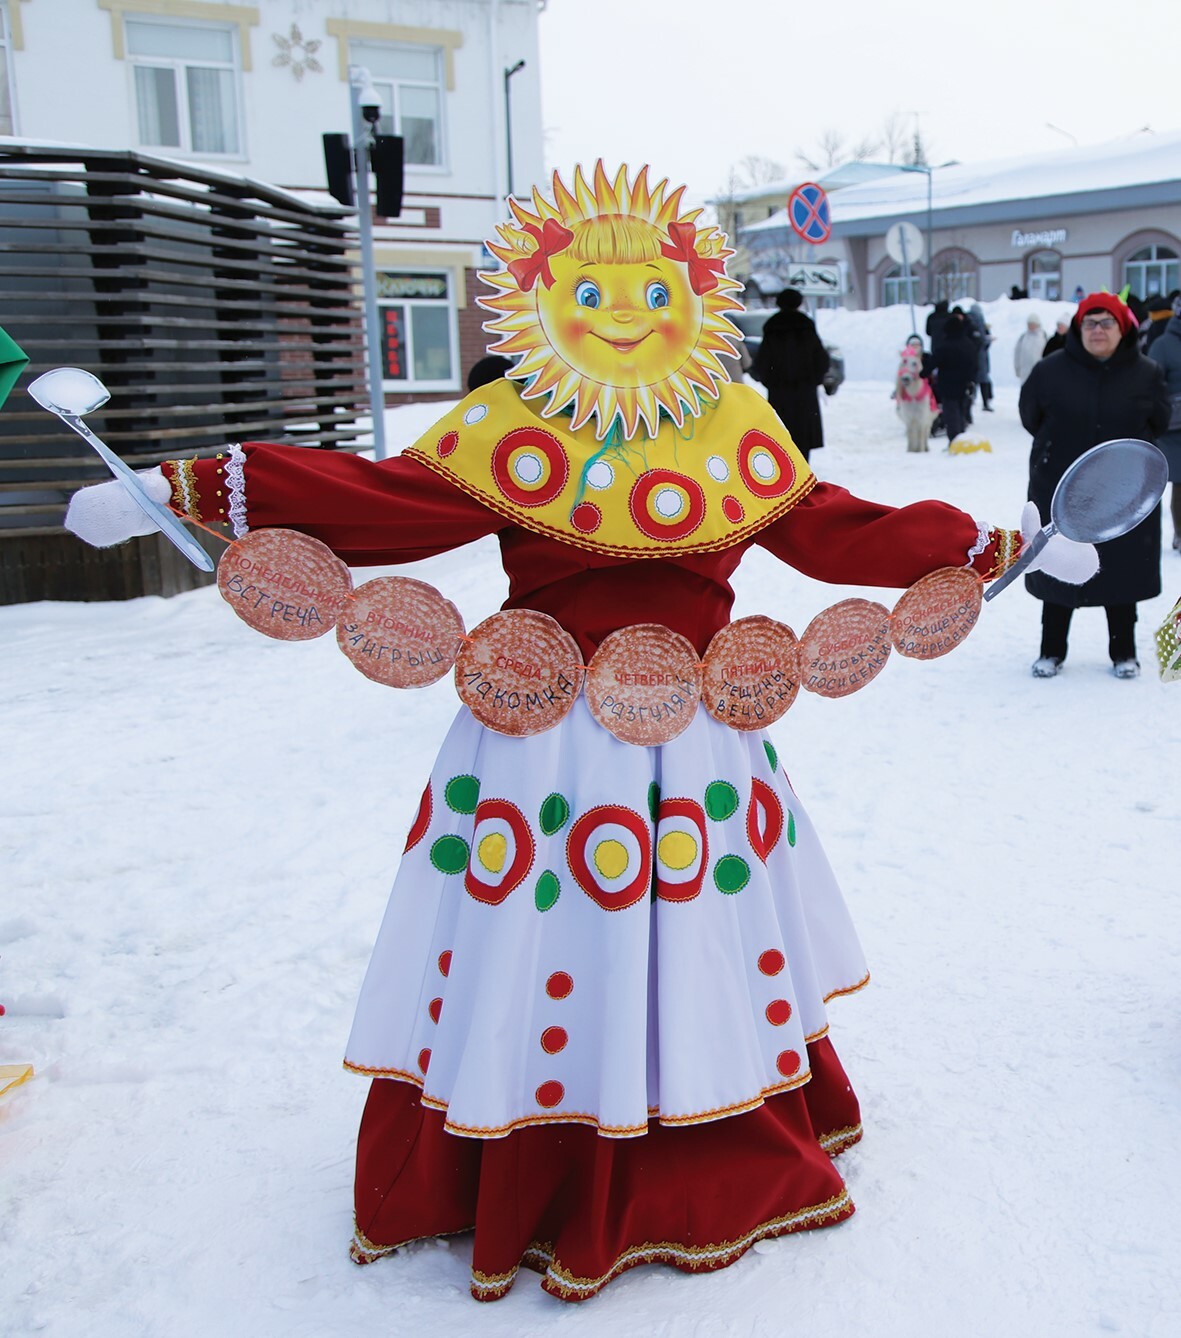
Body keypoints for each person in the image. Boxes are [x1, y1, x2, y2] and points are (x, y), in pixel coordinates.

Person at [62, 162, 1096, 1304]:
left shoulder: (735, 429)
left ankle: (700, 1135)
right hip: (542, 736)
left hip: (698, 735)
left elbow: (832, 526)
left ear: (693, 301)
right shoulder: (517, 424)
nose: (620, 313)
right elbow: (383, 502)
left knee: (692, 942)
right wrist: (196, 488)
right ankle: (539, 1141)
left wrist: (986, 550)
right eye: (591, 291)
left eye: (652, 291)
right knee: (551, 945)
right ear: (540, 301)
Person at [1020, 292, 1171, 678]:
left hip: (1124, 495)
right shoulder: (1049, 370)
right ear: (1078, 328)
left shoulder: (1147, 372)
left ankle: (1124, 653)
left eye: (1107, 323)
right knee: (1058, 567)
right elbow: (1030, 415)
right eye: (1090, 322)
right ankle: (1051, 650)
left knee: (1122, 569)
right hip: (1058, 486)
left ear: (1122, 329)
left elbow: (1158, 421)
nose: (1098, 330)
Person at [750, 288, 829, 461]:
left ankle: (785, 472)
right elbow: (821, 358)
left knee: (782, 434)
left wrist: (770, 381)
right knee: (803, 435)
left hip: (780, 392)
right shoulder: (806, 325)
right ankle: (803, 469)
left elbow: (763, 360)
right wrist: (813, 380)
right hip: (804, 391)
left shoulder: (772, 326)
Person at [1147, 294, 1181, 551]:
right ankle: (1180, 534)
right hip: (1175, 426)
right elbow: (1154, 387)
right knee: (1180, 481)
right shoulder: (1164, 344)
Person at [929, 308, 977, 443]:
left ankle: (955, 441)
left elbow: (933, 362)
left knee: (951, 413)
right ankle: (962, 439)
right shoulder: (968, 344)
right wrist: (971, 379)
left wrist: (923, 372)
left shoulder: (944, 345)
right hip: (964, 384)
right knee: (961, 412)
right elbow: (974, 364)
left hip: (947, 385)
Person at [1014, 314, 1047, 382]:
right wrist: (1017, 368)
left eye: (1032, 324)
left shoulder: (1044, 337)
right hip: (1025, 372)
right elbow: (1017, 353)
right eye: (1029, 324)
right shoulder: (1023, 337)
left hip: (1040, 371)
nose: (1030, 326)